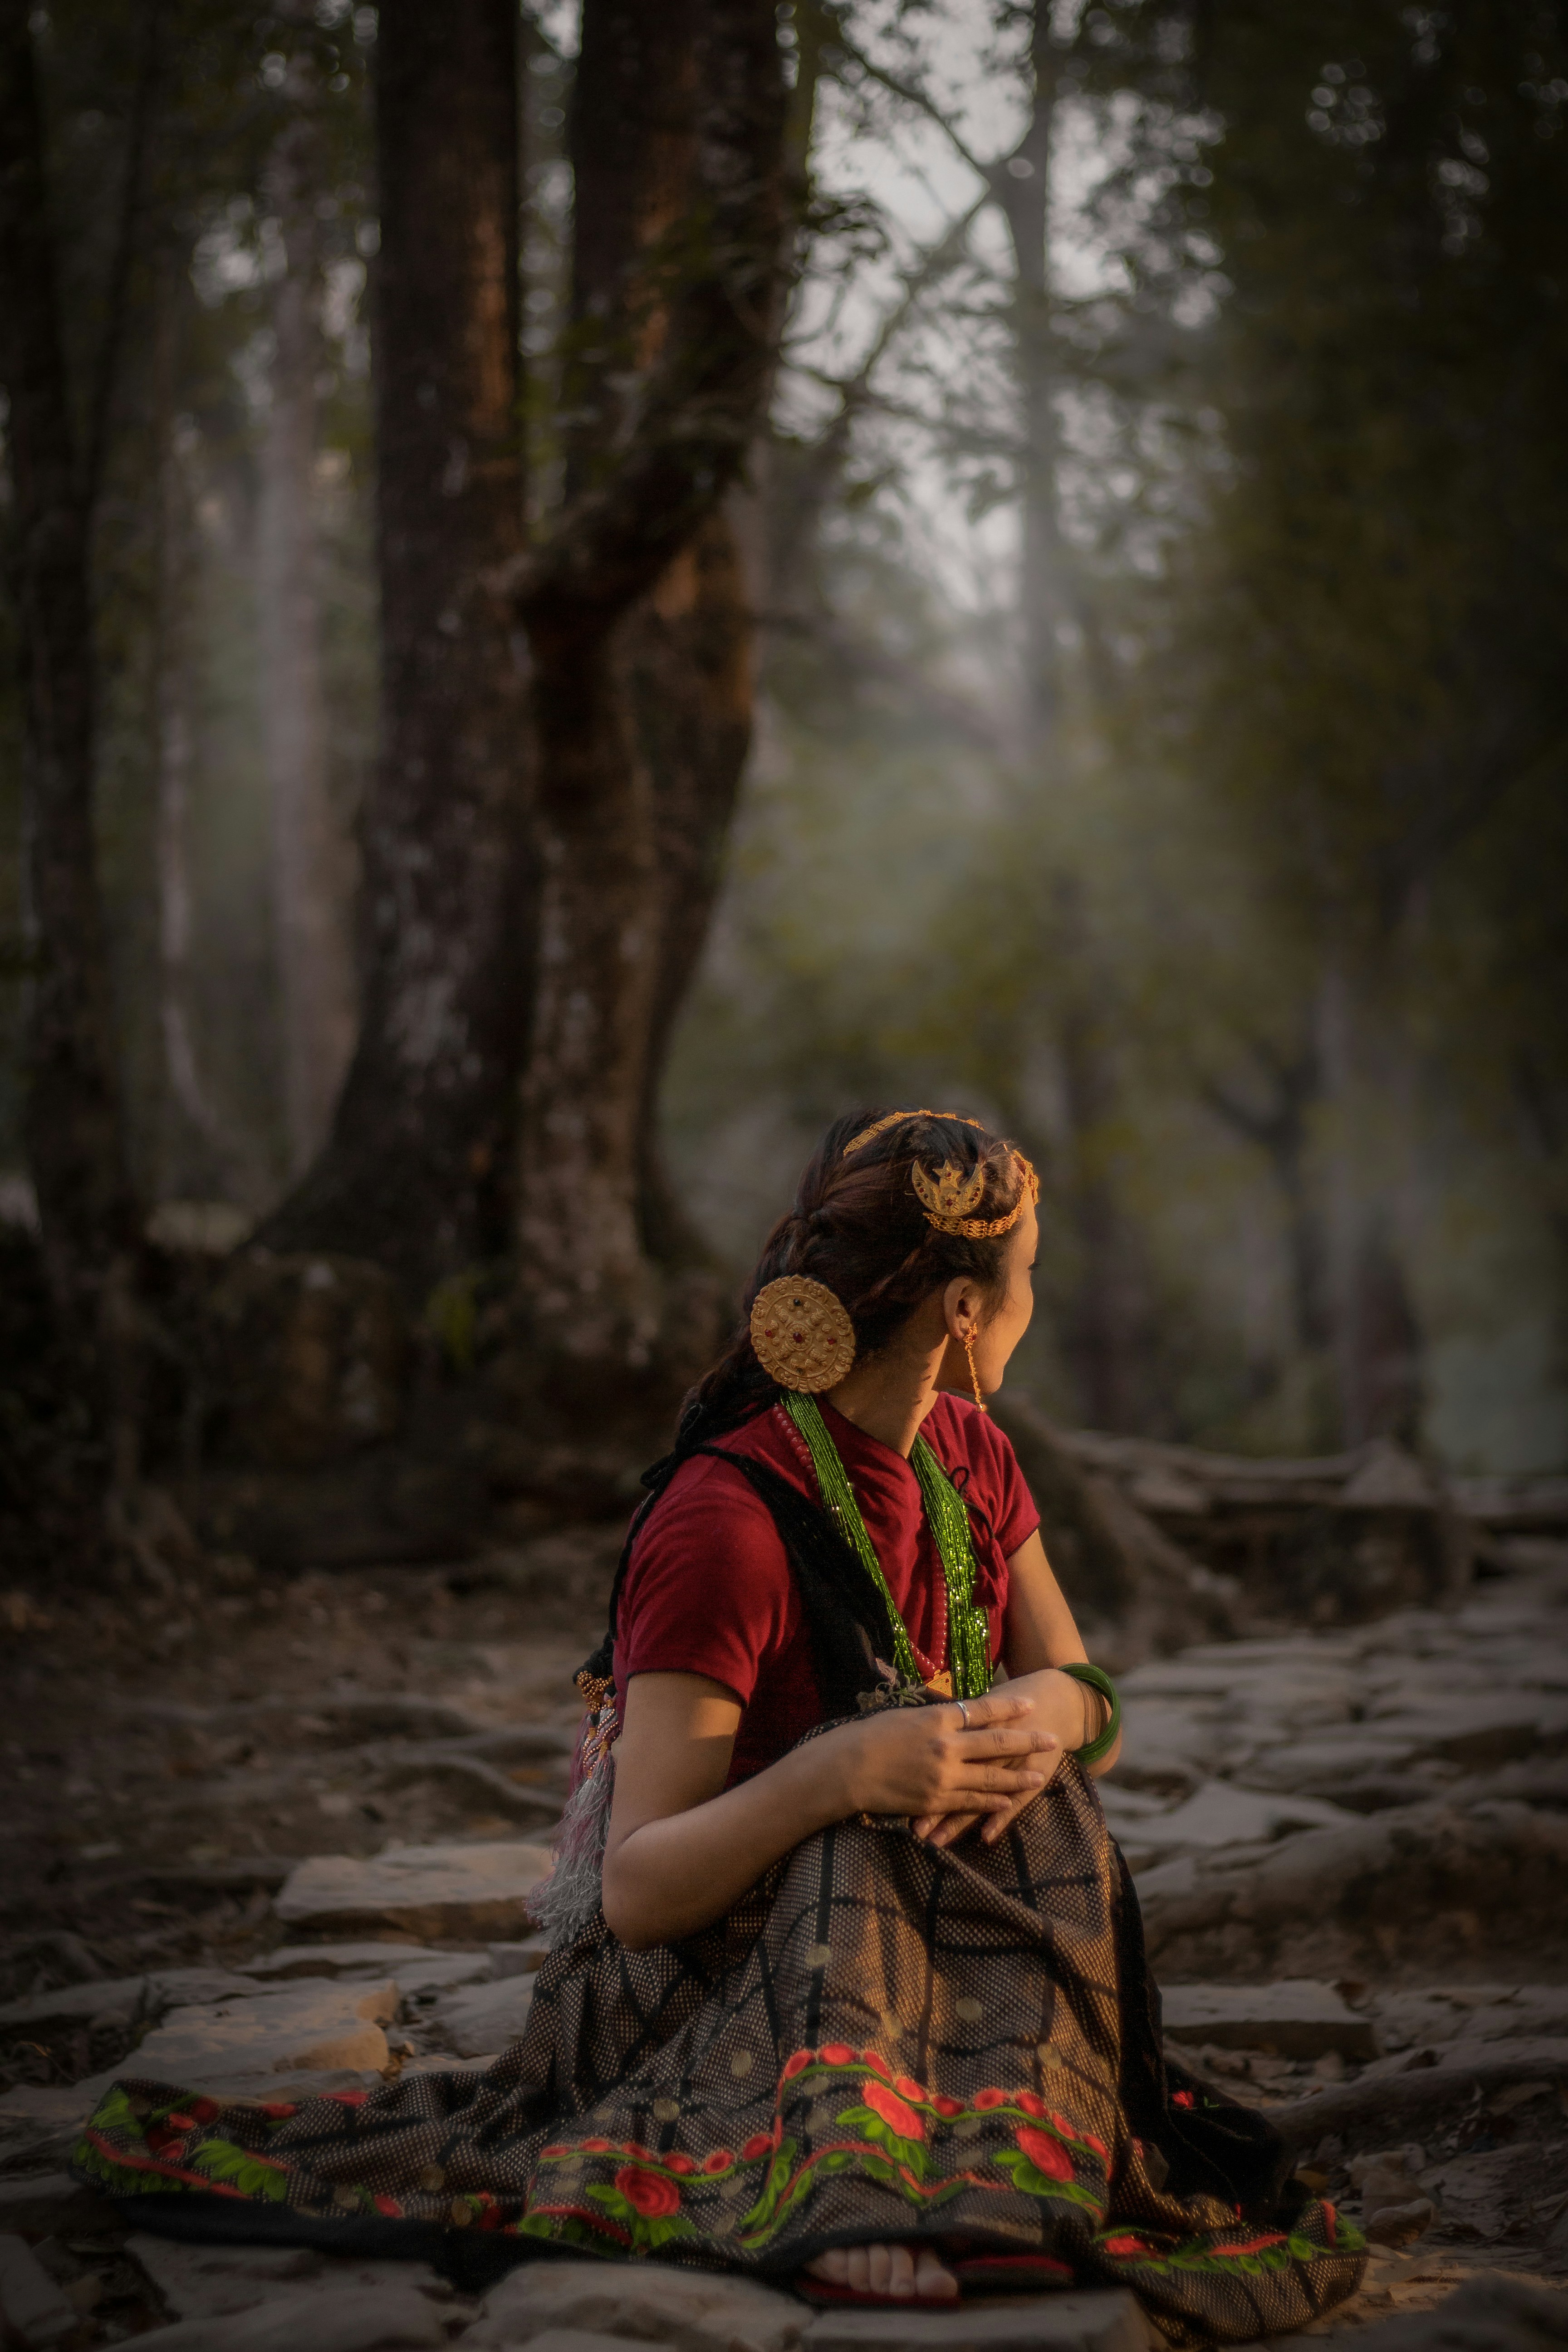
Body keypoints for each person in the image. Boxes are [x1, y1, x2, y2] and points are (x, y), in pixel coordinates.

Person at [75, 1111, 1365, 2346]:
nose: (1038, 1302)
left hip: (911, 1942)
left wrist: (1033, 1715)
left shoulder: (975, 1457)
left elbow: (1095, 1703)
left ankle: (974, 2172)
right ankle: (846, 2188)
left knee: (1047, 1807)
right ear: (966, 1311)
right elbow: (638, 1891)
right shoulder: (726, 1523)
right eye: (1030, 1278)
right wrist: (836, 1770)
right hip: (707, 1971)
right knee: (860, 1827)